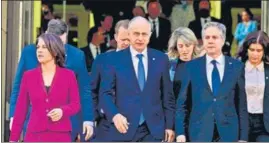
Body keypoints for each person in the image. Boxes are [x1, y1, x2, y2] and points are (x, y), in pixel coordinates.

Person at [9, 19, 94, 141]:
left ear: (66, 37)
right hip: (34, 124)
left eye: (60, 43)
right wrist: (13, 115)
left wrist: (88, 119)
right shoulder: (29, 53)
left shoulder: (77, 56)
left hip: (65, 126)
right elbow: (18, 87)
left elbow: (84, 90)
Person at [94, 16, 175, 142]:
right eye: (136, 34)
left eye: (144, 34)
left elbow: (167, 96)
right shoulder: (114, 59)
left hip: (153, 130)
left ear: (150, 35)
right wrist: (114, 115)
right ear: (129, 34)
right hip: (123, 128)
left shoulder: (161, 59)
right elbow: (105, 93)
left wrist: (169, 126)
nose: (140, 38)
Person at [176, 22, 248, 142]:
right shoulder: (191, 67)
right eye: (207, 37)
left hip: (229, 134)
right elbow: (182, 104)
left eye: (214, 37)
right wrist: (180, 133)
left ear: (223, 40)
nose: (210, 41)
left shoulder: (237, 67)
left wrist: (243, 138)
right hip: (199, 133)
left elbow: (242, 106)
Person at [90, 19, 130, 124]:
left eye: (129, 40)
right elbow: (92, 90)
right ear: (116, 37)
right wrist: (95, 117)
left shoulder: (140, 62)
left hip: (133, 124)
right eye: (123, 39)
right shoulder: (102, 60)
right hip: (105, 123)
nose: (126, 43)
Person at [238, 31, 269, 142]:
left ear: (264, 51)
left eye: (259, 50)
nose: (255, 54)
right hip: (242, 122)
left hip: (264, 124)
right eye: (252, 50)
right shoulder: (238, 70)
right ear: (246, 49)